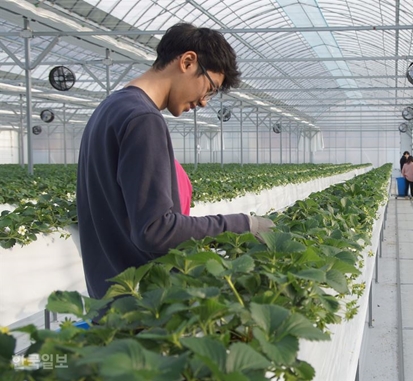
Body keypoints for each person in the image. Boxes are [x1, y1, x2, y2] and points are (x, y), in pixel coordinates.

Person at [76, 23, 274, 301]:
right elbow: (155, 230)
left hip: (108, 297)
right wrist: (243, 224)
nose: (205, 102)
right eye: (210, 88)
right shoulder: (143, 119)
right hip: (145, 306)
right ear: (188, 61)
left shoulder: (109, 109)